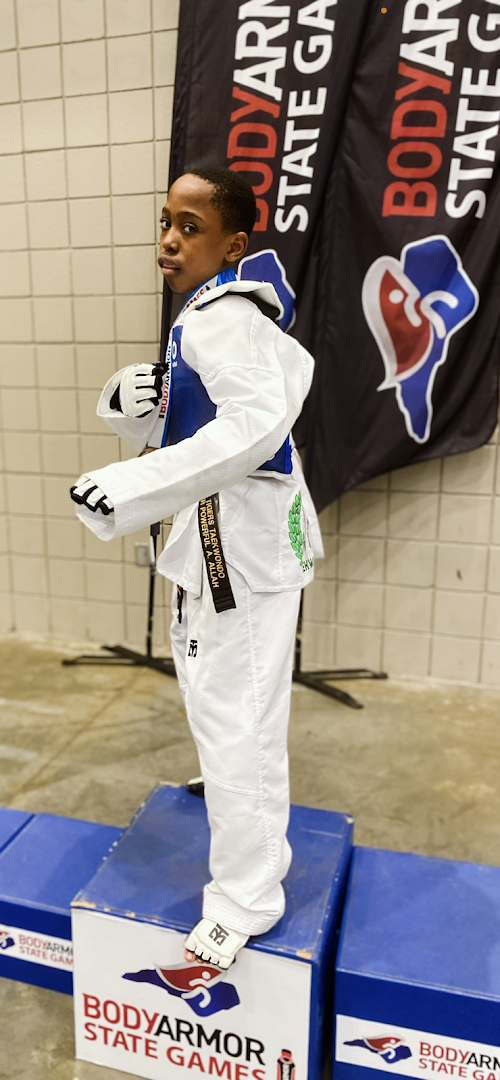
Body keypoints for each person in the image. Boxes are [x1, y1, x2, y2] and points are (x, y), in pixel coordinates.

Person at [70, 166, 323, 970]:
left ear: (234, 244)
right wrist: (136, 410)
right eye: (166, 223)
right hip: (227, 545)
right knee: (227, 709)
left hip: (235, 553)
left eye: (191, 227)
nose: (170, 241)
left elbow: (253, 431)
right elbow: (225, 415)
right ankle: (248, 823)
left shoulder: (224, 322)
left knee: (238, 722)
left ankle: (247, 897)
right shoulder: (216, 315)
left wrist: (129, 484)